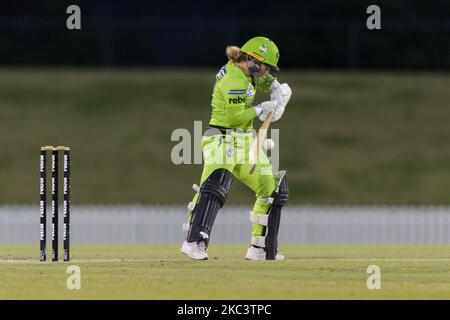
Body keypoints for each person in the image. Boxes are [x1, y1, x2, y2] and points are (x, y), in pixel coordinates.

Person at [180, 36, 291, 260]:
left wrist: (279, 90)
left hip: (244, 140)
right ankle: (194, 242)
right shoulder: (235, 80)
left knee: (272, 188)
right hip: (221, 137)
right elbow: (234, 116)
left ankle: (260, 247)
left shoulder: (247, 71)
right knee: (215, 185)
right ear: (252, 60)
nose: (266, 72)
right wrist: (261, 109)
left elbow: (265, 81)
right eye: (265, 67)